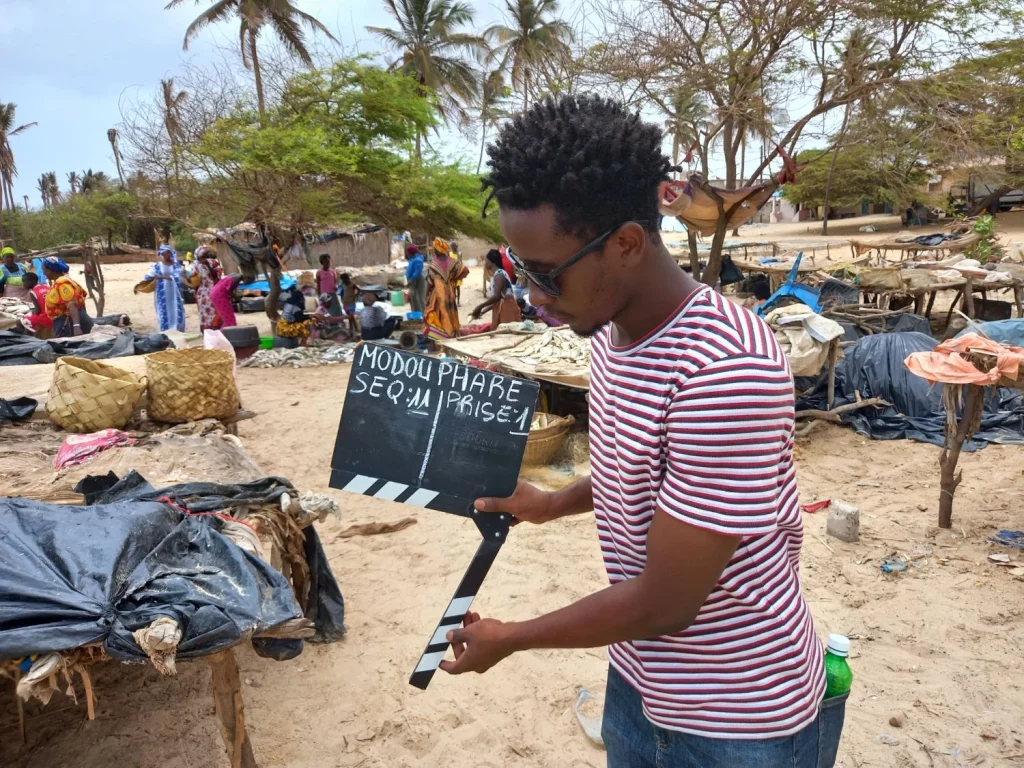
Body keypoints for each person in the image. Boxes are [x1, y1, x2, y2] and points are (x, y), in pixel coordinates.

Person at [439, 95, 837, 768]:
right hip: (641, 681)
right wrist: (549, 503)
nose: (533, 294)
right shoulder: (610, 329)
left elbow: (667, 601)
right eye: (521, 267)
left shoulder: (725, 367)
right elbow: (637, 467)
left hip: (736, 716)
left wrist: (514, 638)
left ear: (625, 244)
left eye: (546, 273)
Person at [424, 237, 469, 341]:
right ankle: (452, 333)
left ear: (437, 250)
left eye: (434, 249)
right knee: (450, 310)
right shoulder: (452, 262)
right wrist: (452, 280)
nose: (434, 250)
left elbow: (430, 283)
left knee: (435, 312)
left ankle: (439, 336)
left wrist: (427, 296)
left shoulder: (434, 264)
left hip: (438, 294)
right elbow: (465, 271)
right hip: (450, 292)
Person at [40, 257, 93, 337]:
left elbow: (72, 304)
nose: (43, 273)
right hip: (70, 320)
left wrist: (77, 327)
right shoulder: (64, 281)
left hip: (68, 324)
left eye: (44, 270)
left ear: (51, 269)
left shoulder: (61, 283)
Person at [471, 249, 522, 329]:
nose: (485, 263)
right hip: (503, 308)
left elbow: (496, 297)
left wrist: (480, 306)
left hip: (507, 309)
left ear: (491, 262)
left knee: (506, 334)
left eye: (486, 261)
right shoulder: (498, 274)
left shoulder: (499, 275)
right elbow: (496, 300)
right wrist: (482, 312)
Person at [144, 245, 186, 332]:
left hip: (175, 293)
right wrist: (146, 280)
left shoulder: (176, 265)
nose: (165, 254)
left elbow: (176, 276)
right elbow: (149, 276)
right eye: (164, 253)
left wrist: (161, 276)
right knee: (164, 310)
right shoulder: (157, 266)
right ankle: (165, 329)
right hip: (162, 293)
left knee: (176, 309)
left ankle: (177, 328)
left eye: (167, 252)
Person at [194, 246, 223, 331]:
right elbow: (193, 280)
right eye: (203, 255)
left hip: (213, 290)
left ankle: (216, 328)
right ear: (198, 256)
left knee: (214, 310)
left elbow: (216, 275)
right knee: (203, 312)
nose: (205, 256)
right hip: (201, 293)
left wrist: (208, 265)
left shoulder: (213, 263)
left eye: (206, 254)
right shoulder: (195, 265)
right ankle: (205, 330)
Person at [18, 271, 53, 336]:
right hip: (54, 315)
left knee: (20, 321)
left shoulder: (33, 292)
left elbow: (37, 311)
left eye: (24, 281)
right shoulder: (46, 286)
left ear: (33, 281)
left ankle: (26, 339)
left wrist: (31, 313)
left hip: (46, 318)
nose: (23, 284)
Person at [405, 245, 427, 313]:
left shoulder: (418, 260)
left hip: (418, 280)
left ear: (411, 252)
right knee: (413, 298)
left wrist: (412, 279)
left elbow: (417, 271)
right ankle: (415, 315)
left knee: (420, 298)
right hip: (412, 280)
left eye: (407, 252)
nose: (406, 253)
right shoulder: (412, 259)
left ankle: (424, 315)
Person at [449, 240, 464, 306]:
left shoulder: (460, 253)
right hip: (452, 273)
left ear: (457, 246)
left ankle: (458, 301)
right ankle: (454, 301)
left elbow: (461, 262)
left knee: (458, 287)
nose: (454, 247)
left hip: (458, 272)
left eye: (455, 246)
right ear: (451, 247)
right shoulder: (449, 254)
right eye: (452, 246)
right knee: (452, 288)